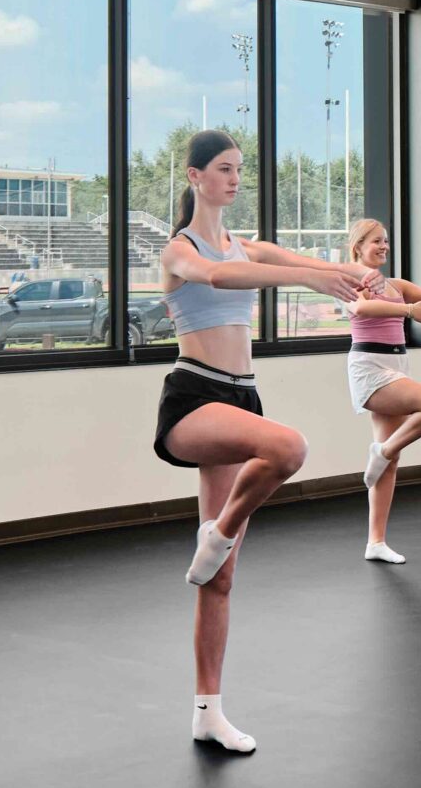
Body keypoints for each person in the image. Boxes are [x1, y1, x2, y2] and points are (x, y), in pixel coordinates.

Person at [155, 130, 374, 754]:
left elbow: (314, 265)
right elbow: (219, 276)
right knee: (288, 449)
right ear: (195, 176)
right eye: (223, 169)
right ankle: (218, 531)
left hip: (242, 395)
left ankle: (207, 711)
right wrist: (305, 282)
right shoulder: (181, 249)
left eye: (239, 170)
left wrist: (357, 274)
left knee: (219, 582)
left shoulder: (250, 244)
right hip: (194, 397)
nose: (234, 179)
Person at [341, 219, 421, 566]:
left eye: (386, 241)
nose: (384, 246)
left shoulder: (395, 285)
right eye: (376, 241)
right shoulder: (350, 280)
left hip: (396, 365)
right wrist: (409, 310)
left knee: (389, 464)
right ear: (358, 247)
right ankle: (382, 450)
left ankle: (375, 542)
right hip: (369, 368)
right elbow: (361, 308)